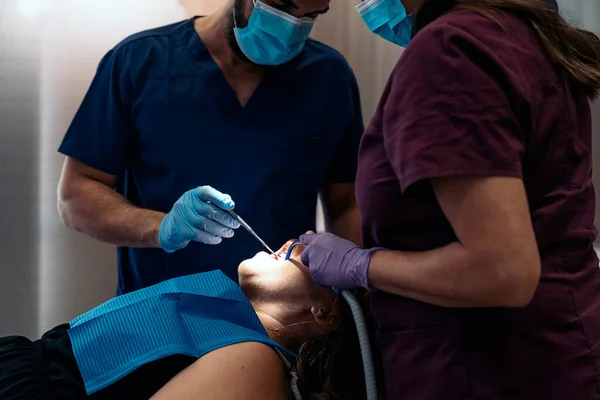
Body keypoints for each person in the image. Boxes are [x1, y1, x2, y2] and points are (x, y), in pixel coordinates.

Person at [299, 0, 600, 399]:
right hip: (553, 352)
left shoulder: (450, 52)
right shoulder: (513, 34)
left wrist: (361, 266)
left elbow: (502, 270)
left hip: (488, 369)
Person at [56, 0, 364, 295]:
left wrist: (352, 294)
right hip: (159, 320)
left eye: (311, 16)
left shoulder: (328, 77)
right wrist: (162, 227)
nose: (291, 29)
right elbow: (76, 195)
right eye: (281, 7)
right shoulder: (139, 63)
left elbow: (348, 204)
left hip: (276, 329)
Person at [0, 240, 369, 400]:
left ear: (325, 313)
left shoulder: (258, 364)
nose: (297, 241)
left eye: (316, 252)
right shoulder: (229, 323)